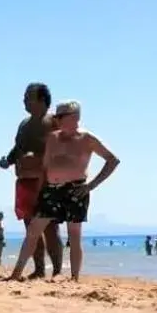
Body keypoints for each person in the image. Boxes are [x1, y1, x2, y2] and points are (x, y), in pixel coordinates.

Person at [19, 101, 119, 282]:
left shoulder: (87, 139)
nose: (56, 120)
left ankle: (74, 278)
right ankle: (16, 273)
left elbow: (112, 160)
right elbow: (45, 166)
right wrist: (40, 190)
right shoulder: (53, 138)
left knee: (74, 235)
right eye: (56, 117)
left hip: (76, 189)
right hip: (51, 189)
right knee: (34, 230)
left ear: (75, 117)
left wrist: (91, 185)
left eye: (60, 117)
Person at [1, 83, 64, 280]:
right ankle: (38, 269)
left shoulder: (54, 121)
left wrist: (38, 157)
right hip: (24, 180)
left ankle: (57, 270)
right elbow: (17, 147)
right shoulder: (24, 124)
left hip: (46, 181)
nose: (24, 100)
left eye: (29, 96)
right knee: (30, 228)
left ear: (42, 100)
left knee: (51, 227)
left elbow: (63, 149)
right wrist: (9, 160)